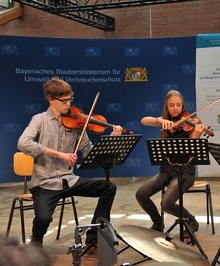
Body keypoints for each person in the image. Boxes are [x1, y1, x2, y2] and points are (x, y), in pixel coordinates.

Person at [17, 76, 123, 248]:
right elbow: (23, 143)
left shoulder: (76, 122)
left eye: (70, 99)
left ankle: (94, 235)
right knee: (43, 219)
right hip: (45, 183)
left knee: (108, 188)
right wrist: (59, 154)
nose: (68, 104)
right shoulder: (39, 120)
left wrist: (111, 139)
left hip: (69, 180)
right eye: (64, 100)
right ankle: (36, 239)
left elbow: (89, 151)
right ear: (51, 100)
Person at [135, 90, 205, 235]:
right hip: (166, 171)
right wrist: (160, 120)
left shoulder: (190, 122)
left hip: (185, 172)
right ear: (166, 106)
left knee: (166, 203)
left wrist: (196, 135)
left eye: (179, 105)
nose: (175, 108)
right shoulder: (166, 122)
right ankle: (157, 222)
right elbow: (144, 120)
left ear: (183, 105)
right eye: (171, 105)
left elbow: (193, 151)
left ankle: (191, 220)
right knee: (141, 194)